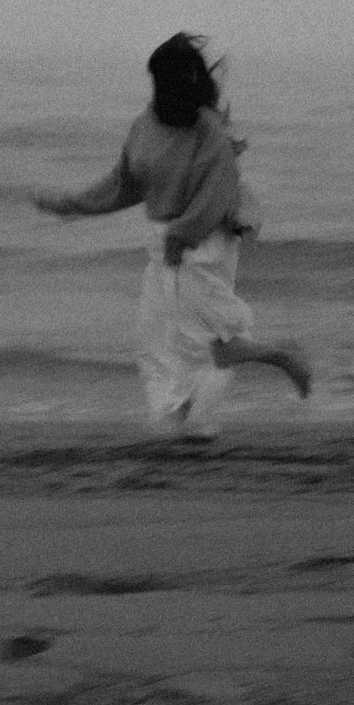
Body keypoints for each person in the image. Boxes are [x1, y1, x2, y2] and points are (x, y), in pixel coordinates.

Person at [34, 33, 310, 437]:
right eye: (157, 82)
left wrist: (183, 235)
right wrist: (72, 204)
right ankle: (182, 421)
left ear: (187, 82)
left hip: (204, 241)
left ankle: (283, 357)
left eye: (169, 82)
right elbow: (125, 183)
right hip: (168, 240)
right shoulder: (144, 125)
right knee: (157, 340)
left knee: (202, 341)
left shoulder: (207, 130)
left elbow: (219, 190)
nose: (161, 91)